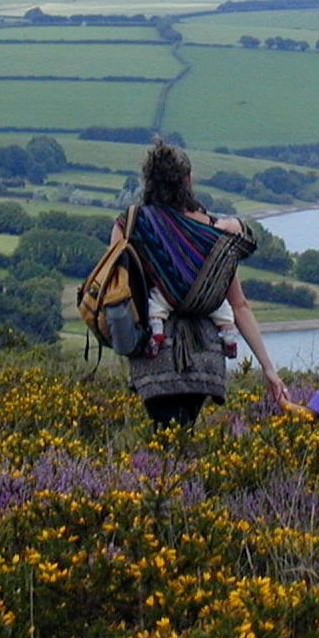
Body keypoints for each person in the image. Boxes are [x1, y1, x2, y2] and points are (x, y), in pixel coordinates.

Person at [113, 140, 287, 428]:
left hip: (154, 354)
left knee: (166, 436)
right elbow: (239, 305)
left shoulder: (131, 224)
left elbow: (118, 289)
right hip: (205, 356)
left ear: (148, 181)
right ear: (188, 180)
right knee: (183, 431)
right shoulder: (213, 231)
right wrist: (268, 368)